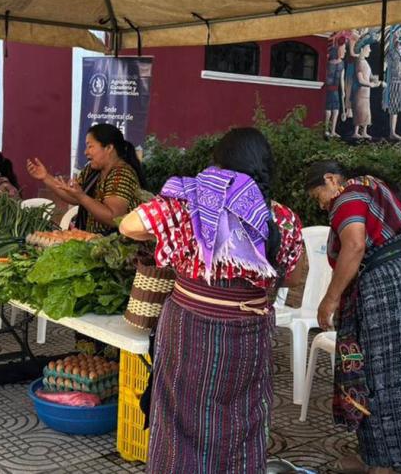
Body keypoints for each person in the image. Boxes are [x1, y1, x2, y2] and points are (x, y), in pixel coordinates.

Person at [118, 127, 305, 473]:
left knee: (179, 417)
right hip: (250, 331)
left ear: (218, 166)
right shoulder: (282, 218)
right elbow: (293, 277)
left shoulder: (192, 203)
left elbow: (128, 226)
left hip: (190, 327)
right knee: (242, 418)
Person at [305, 160, 401, 473]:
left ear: (331, 179)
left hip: (387, 288)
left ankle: (383, 464)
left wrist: (330, 299)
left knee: (380, 377)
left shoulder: (349, 194)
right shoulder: (377, 189)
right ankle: (383, 457)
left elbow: (355, 246)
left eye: (318, 195)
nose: (322, 204)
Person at [27, 123, 144, 356]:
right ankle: (88, 360)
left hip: (115, 256)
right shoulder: (93, 170)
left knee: (105, 317)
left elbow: (113, 217)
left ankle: (107, 363)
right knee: (88, 314)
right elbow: (74, 198)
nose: (86, 152)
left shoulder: (122, 174)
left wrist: (80, 196)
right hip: (93, 253)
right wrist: (46, 178)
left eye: (90, 146)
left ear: (109, 148)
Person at [352, 35, 383, 139]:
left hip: (365, 93)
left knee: (366, 113)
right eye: (368, 48)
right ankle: (356, 132)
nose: (369, 50)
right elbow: (361, 80)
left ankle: (364, 132)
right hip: (360, 93)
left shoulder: (365, 62)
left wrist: (378, 80)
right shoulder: (359, 63)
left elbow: (370, 77)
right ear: (362, 49)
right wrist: (371, 85)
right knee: (360, 112)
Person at [325, 38, 347, 138]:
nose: (345, 51)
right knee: (333, 110)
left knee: (331, 110)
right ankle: (330, 130)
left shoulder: (330, 64)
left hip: (331, 88)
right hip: (333, 89)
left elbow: (340, 78)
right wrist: (343, 91)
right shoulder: (340, 64)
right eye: (343, 49)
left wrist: (343, 91)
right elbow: (341, 79)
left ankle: (328, 130)